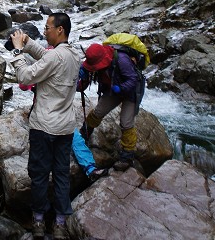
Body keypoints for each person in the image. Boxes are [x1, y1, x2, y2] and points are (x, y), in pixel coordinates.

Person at [9, 12, 81, 240]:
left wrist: (18, 50)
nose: (45, 30)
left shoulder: (54, 58)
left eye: (48, 27)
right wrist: (29, 44)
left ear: (60, 29)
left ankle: (39, 221)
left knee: (39, 175)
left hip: (43, 127)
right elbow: (50, 57)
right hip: (66, 127)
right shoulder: (75, 55)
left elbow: (25, 77)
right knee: (61, 175)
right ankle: (60, 224)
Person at [78, 43, 144, 172]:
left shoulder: (122, 60)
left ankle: (127, 156)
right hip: (113, 89)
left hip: (130, 92)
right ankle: (85, 132)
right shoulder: (92, 63)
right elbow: (81, 86)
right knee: (98, 111)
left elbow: (133, 79)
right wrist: (81, 78)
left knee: (126, 122)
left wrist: (121, 88)